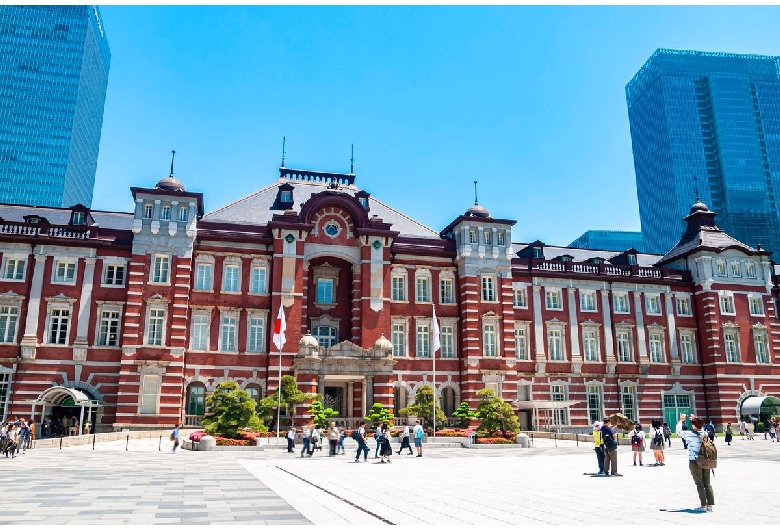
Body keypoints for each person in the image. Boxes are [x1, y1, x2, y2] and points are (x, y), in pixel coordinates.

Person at [676, 414, 714, 512]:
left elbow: (678, 432)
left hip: (695, 460)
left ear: (693, 425)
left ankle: (703, 505)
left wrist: (681, 420)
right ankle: (709, 505)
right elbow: (700, 426)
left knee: (700, 483)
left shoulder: (690, 434)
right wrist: (695, 419)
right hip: (706, 460)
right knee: (707, 483)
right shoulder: (705, 433)